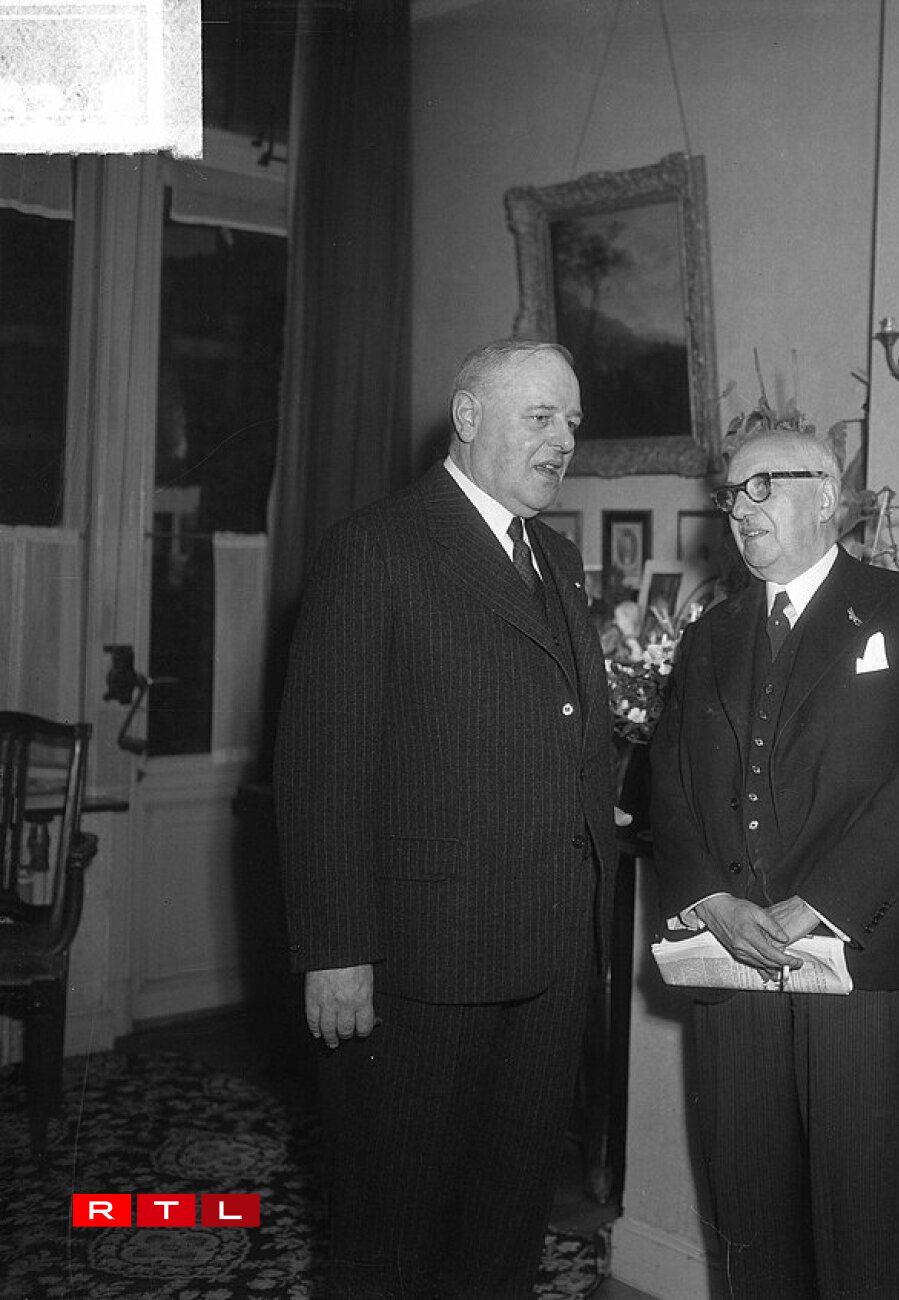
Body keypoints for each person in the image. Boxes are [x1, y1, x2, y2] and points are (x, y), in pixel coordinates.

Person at [274, 339, 618, 1297]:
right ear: (468, 417)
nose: (564, 441)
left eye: (574, 423)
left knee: (505, 1225)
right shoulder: (375, 547)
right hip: (422, 962)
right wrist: (335, 948)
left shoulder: (553, 556)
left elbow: (566, 738)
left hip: (545, 958)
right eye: (541, 417)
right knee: (393, 1233)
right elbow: (322, 770)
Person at [651, 428, 899, 1300]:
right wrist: (714, 901)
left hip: (853, 976)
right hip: (728, 968)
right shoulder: (709, 634)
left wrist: (815, 904)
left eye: (762, 489)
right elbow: (669, 783)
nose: (740, 511)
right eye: (731, 495)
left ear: (826, 496)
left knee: (859, 1233)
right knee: (750, 1231)